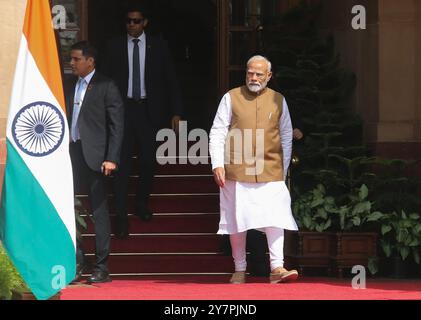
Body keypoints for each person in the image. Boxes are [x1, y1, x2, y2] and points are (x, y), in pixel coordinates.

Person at [209, 55, 299, 284]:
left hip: (271, 169)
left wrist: (283, 165)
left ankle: (277, 267)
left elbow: (286, 133)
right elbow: (218, 131)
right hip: (236, 169)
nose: (254, 77)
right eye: (250, 73)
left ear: (269, 76)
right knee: (237, 219)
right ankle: (239, 268)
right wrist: (217, 164)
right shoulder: (231, 97)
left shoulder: (278, 99)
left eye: (259, 74)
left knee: (275, 217)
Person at [102, 4, 183, 238]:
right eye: (128, 21)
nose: (132, 25)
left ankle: (141, 204)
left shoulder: (158, 45)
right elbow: (105, 80)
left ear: (145, 22)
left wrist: (176, 111)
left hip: (149, 110)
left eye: (136, 21)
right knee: (121, 163)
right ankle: (120, 216)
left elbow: (170, 79)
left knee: (148, 161)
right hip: (122, 110)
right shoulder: (114, 45)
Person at [66, 41, 124, 283]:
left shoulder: (106, 86)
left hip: (96, 157)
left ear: (90, 61)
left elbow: (116, 125)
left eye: (76, 59)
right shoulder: (70, 84)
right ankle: (78, 259)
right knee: (70, 207)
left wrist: (111, 157)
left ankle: (101, 266)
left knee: (98, 211)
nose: (72, 63)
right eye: (71, 59)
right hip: (71, 153)